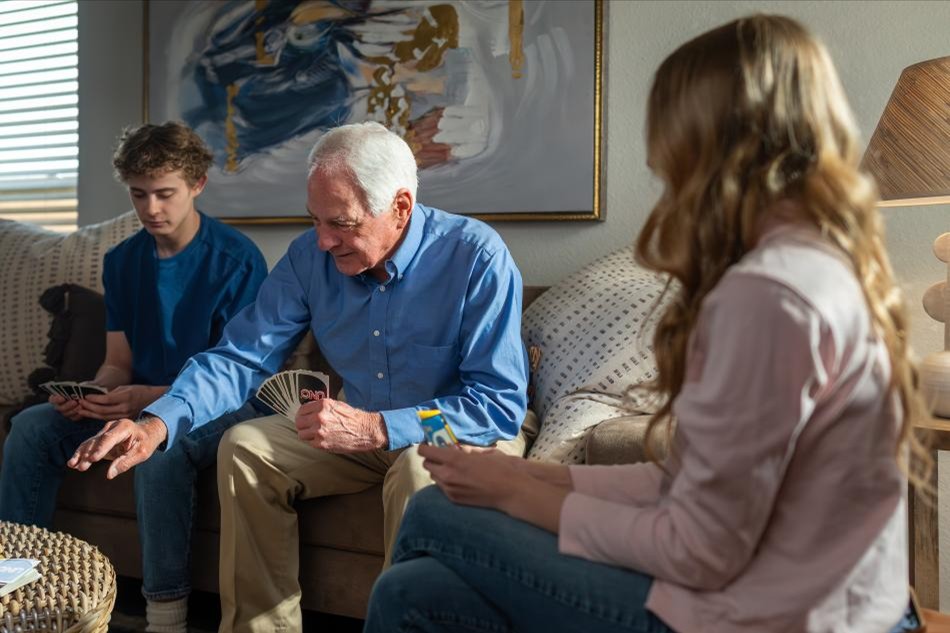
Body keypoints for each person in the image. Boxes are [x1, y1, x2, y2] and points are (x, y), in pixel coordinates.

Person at [363, 14, 930, 633]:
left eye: (666, 129)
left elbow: (701, 546)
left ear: (706, 138)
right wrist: (529, 474)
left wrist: (514, 496)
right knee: (412, 591)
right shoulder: (812, 266)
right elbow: (691, 485)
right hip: (810, 593)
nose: (658, 156)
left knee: (435, 516)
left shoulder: (769, 298)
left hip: (786, 614)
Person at [67, 121, 532, 632]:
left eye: (342, 223)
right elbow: (240, 356)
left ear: (400, 207)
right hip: (361, 425)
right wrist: (156, 424)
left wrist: (379, 428)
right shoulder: (310, 258)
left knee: (420, 471)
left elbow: (497, 404)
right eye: (315, 220)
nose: (324, 240)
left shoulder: (475, 255)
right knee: (246, 445)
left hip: (448, 428)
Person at [0, 122, 268, 633]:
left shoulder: (237, 261)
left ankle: (165, 614)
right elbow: (118, 363)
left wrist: (152, 402)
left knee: (156, 446)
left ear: (197, 185)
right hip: (137, 400)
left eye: (165, 194)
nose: (151, 209)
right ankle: (15, 583)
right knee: (34, 426)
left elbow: (239, 377)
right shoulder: (122, 261)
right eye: (139, 195)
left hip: (215, 406)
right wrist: (95, 395)